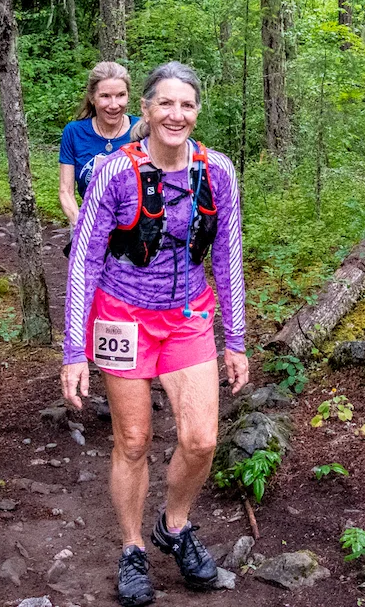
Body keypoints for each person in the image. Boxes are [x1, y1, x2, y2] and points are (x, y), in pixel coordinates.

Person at [60, 62, 249, 607]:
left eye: (186, 105)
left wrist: (234, 339)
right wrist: (75, 351)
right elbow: (84, 264)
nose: (176, 114)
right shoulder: (114, 173)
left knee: (202, 439)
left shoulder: (218, 173)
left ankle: (175, 524)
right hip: (121, 317)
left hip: (188, 315)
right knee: (135, 439)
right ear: (145, 109)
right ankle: (132, 548)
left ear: (197, 111)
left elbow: (228, 256)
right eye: (165, 103)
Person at [58, 61, 136, 232]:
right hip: (86, 224)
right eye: (105, 96)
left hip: (135, 232)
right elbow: (66, 191)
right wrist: (83, 227)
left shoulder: (142, 130)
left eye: (121, 95)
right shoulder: (74, 132)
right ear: (92, 98)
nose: (114, 105)